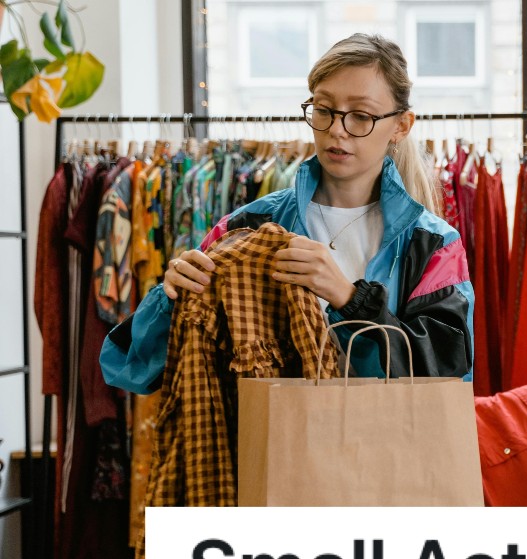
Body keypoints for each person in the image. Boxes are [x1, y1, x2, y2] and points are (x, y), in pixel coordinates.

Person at [100, 34, 473, 391]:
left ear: (401, 125)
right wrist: (168, 301)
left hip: (385, 452)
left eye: (360, 115)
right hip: (269, 449)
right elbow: (129, 369)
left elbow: (445, 376)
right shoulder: (246, 228)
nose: (337, 130)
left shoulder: (434, 244)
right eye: (324, 110)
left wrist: (349, 298)